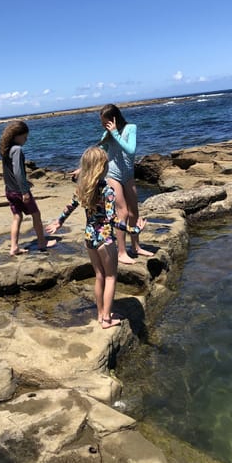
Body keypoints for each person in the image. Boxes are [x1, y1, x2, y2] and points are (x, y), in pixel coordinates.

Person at [46, 146, 146, 329]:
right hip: (105, 238)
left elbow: (70, 206)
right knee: (110, 277)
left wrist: (58, 222)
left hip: (89, 236)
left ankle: (101, 314)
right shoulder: (107, 191)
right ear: (102, 167)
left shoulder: (83, 188)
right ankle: (107, 319)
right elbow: (112, 220)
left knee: (99, 275)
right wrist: (133, 230)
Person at [99, 103, 154, 264]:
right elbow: (97, 152)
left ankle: (135, 247)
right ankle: (122, 252)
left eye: (105, 122)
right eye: (102, 123)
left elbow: (131, 150)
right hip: (112, 175)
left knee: (133, 212)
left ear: (114, 119)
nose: (103, 125)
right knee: (121, 212)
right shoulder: (107, 134)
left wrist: (115, 133)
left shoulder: (131, 128)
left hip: (128, 175)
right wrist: (82, 168)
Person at [0, 120, 55, 255]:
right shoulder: (17, 150)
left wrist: (25, 182)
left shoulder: (5, 149)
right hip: (19, 191)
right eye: (25, 137)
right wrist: (24, 190)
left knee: (17, 216)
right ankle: (42, 242)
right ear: (16, 135)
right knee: (36, 214)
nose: (26, 139)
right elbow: (18, 171)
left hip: (9, 190)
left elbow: (9, 172)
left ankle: (14, 247)